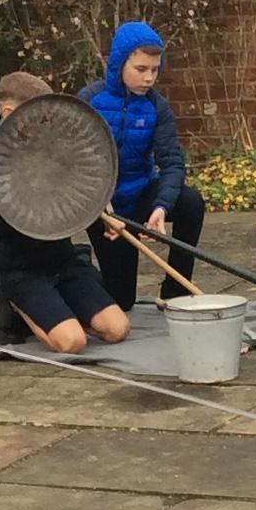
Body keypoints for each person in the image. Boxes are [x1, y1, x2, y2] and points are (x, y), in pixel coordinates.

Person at [0, 72, 130, 355]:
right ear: (8, 113)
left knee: (117, 329)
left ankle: (60, 309)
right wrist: (26, 199)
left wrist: (100, 212)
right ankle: (12, 302)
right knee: (72, 343)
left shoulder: (51, 153)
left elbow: (74, 198)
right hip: (20, 269)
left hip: (61, 259)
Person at [79, 22, 207, 313]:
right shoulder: (89, 101)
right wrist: (100, 203)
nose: (149, 78)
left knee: (190, 202)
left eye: (155, 70)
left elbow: (172, 163)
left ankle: (176, 293)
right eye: (141, 69)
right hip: (101, 206)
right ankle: (77, 268)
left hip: (139, 196)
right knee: (121, 301)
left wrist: (161, 208)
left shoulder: (157, 107)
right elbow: (72, 162)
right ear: (119, 64)